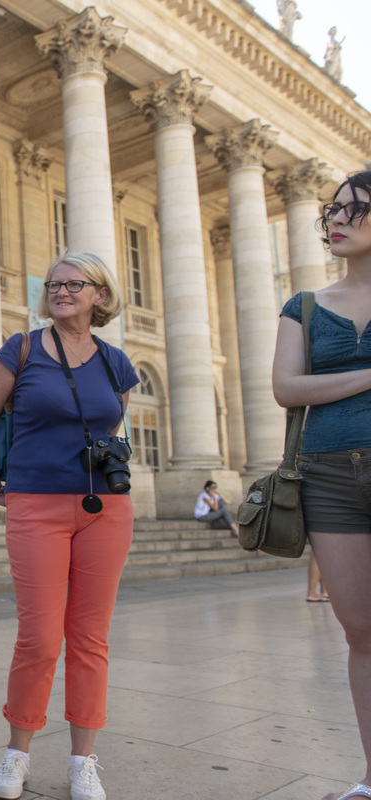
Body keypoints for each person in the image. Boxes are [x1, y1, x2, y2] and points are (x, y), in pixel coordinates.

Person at [0, 252, 137, 800]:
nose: (61, 291)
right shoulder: (22, 349)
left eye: (74, 284)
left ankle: (83, 760)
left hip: (105, 510)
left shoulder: (116, 363)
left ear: (100, 296)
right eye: (54, 284)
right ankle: (17, 752)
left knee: (90, 639)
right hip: (35, 505)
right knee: (39, 637)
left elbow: (112, 423)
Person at [271, 170, 371, 800]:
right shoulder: (304, 306)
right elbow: (288, 389)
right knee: (360, 632)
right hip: (329, 474)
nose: (334, 220)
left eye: (353, 211)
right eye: (330, 210)